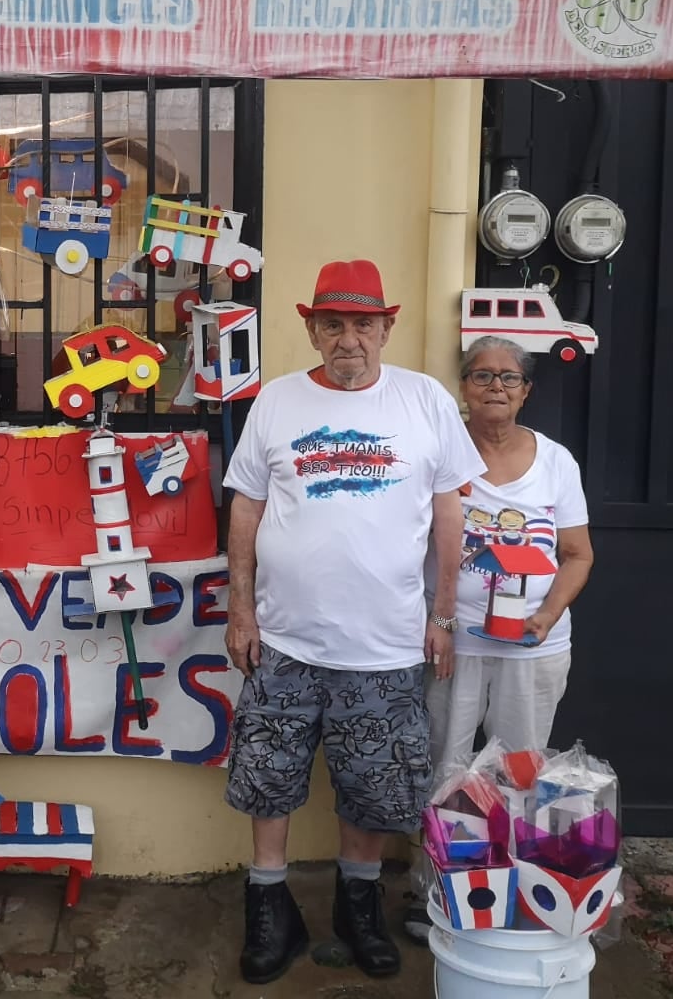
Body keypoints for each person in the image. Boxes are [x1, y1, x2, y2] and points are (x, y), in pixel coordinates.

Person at [222, 260, 485, 984]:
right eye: (332, 324)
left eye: (362, 324)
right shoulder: (275, 402)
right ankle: (269, 905)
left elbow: (449, 511)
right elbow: (245, 505)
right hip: (282, 641)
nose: (348, 339)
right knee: (267, 778)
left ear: (386, 329)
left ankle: (356, 906)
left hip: (386, 644)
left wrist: (444, 613)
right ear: (310, 328)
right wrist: (240, 608)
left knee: (373, 785)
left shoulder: (425, 402)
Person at [401, 335, 595, 940]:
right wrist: (436, 620)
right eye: (482, 376)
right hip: (451, 644)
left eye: (509, 378)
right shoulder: (436, 454)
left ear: (526, 391)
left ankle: (515, 885)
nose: (495, 387)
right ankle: (436, 889)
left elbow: (578, 555)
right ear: (463, 387)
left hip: (534, 647)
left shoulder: (557, 462)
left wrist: (546, 614)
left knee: (522, 769)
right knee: (446, 768)